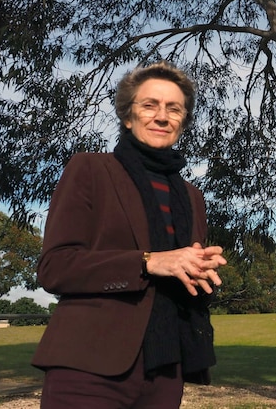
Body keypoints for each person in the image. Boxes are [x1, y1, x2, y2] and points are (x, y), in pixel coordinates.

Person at [32, 61, 227, 408]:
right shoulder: (90, 169)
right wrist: (148, 262)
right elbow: (55, 267)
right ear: (127, 116)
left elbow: (179, 277)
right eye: (149, 105)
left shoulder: (192, 197)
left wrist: (200, 270)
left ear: (183, 121)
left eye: (174, 108)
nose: (162, 116)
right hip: (88, 367)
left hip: (166, 368)